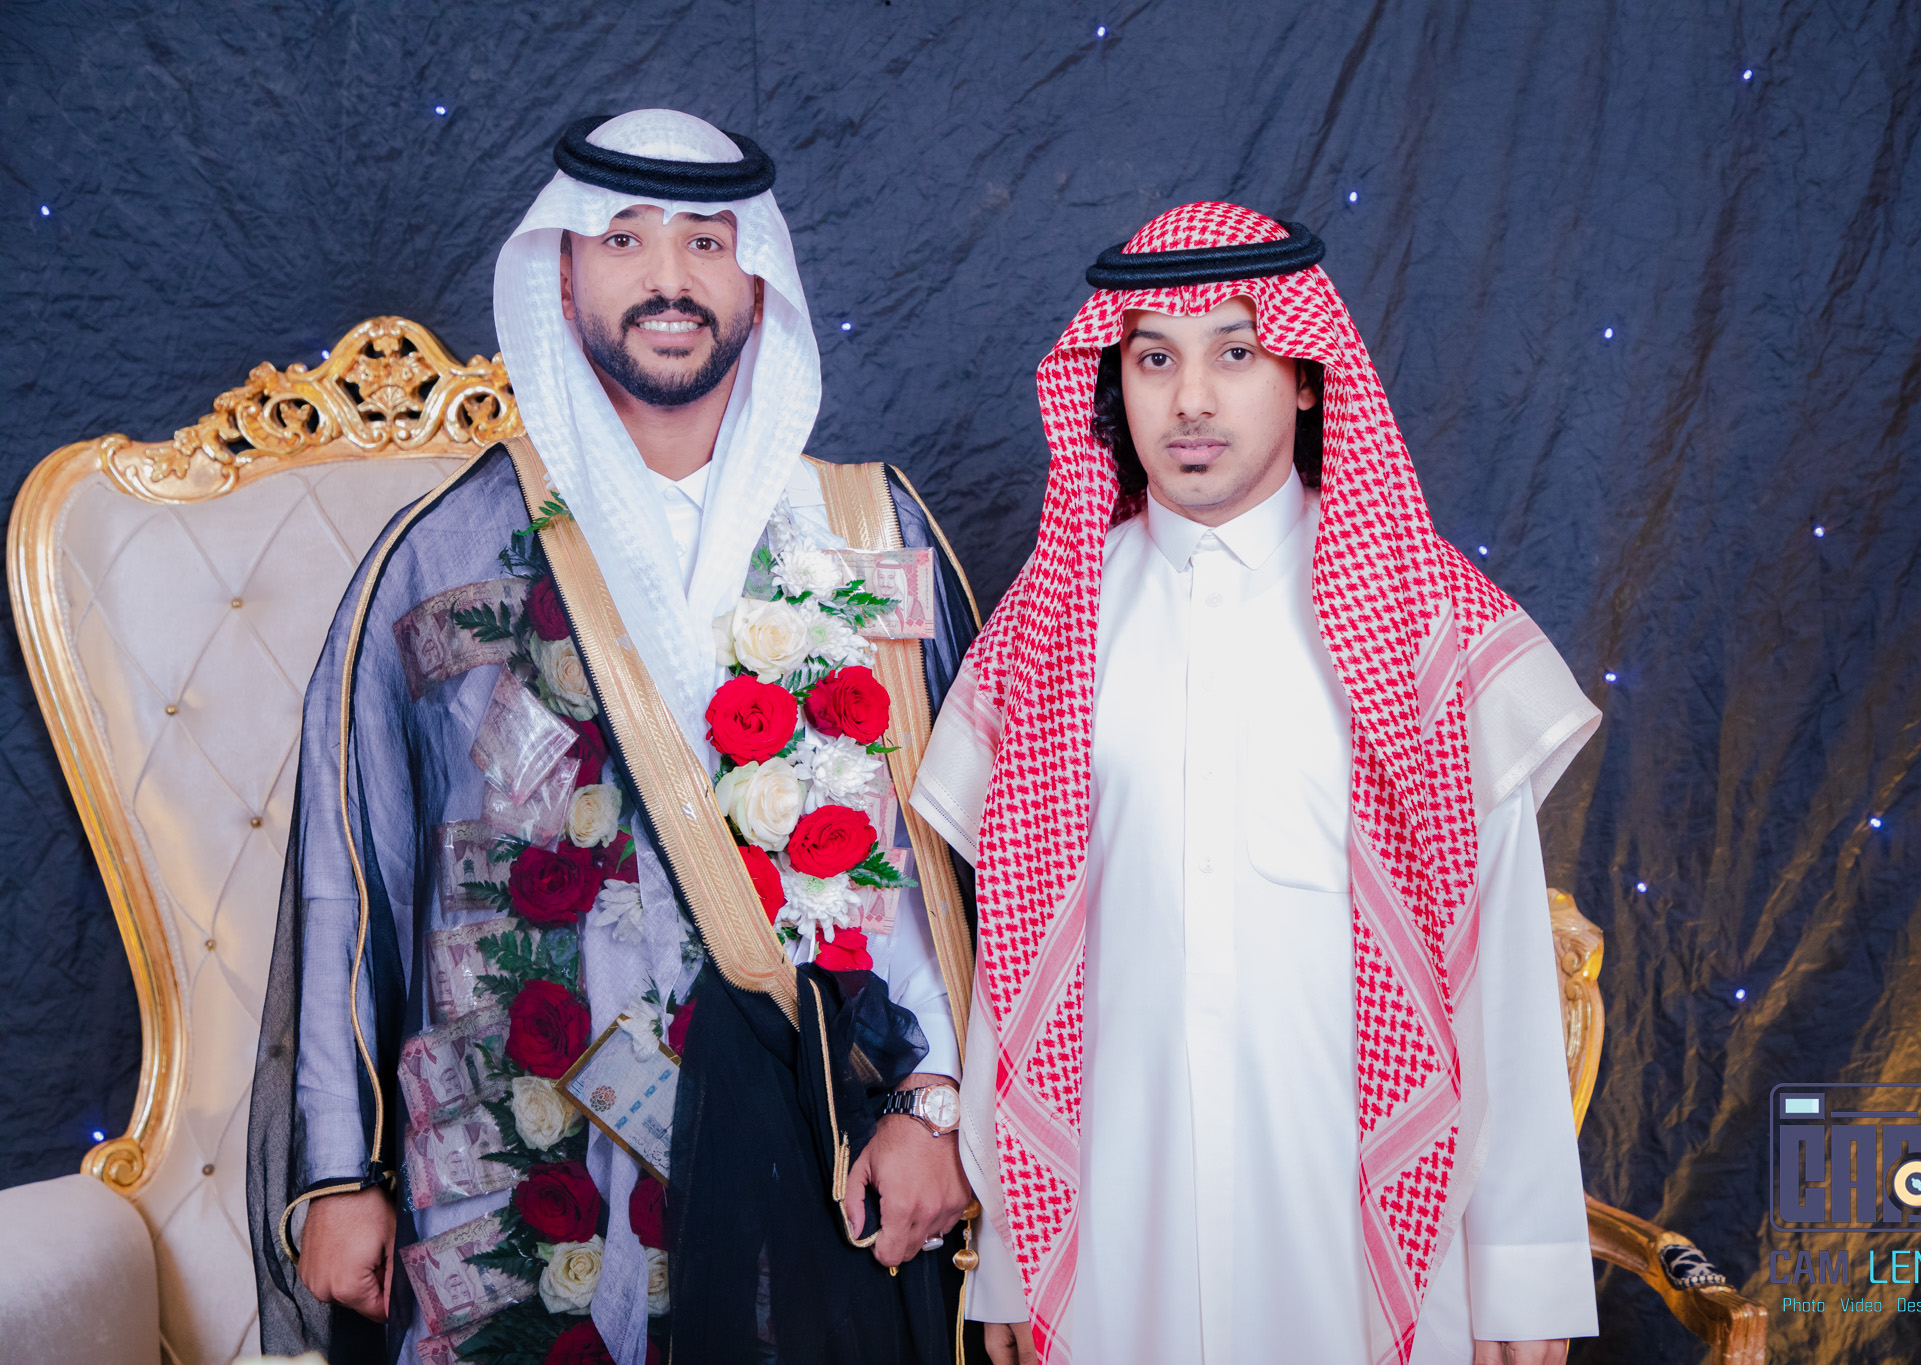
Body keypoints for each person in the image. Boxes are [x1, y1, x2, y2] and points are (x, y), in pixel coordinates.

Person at [249, 109, 980, 1365]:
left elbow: (958, 875)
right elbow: (350, 878)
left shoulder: (869, 533)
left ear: (758, 278)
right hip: (534, 1172)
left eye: (706, 242)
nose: (668, 279)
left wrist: (937, 1108)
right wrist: (337, 1170)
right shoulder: (441, 557)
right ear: (561, 275)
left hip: (827, 1167)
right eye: (625, 239)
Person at [910, 203, 1603, 1365]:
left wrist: (1522, 1272)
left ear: (1307, 378)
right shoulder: (1046, 626)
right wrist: (1018, 1262)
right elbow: (1017, 963)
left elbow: (1502, 971)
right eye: (1153, 360)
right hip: (1117, 1232)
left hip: (1359, 1214)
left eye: (1234, 352)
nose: (1190, 400)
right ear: (1113, 385)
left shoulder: (1424, 616)